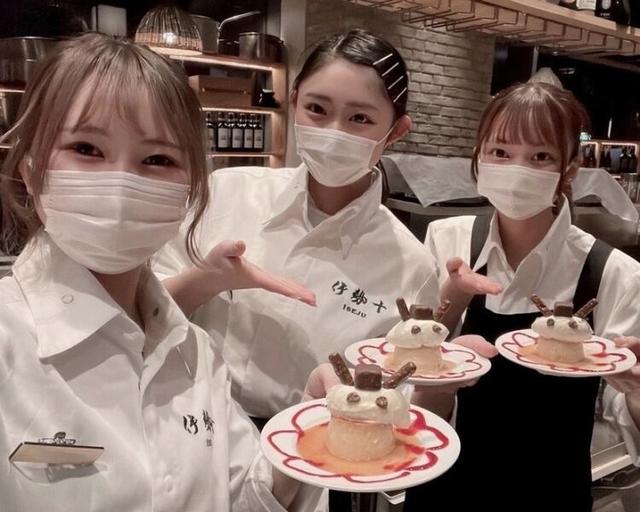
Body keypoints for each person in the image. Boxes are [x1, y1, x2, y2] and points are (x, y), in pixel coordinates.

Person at [0, 33, 319, 512]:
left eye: (157, 159)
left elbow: (242, 498)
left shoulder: (196, 353)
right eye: (86, 148)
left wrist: (308, 434)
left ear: (188, 190)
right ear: (30, 169)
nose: (121, 182)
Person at [154, 29, 457, 425]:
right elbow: (139, 315)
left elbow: (400, 399)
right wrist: (204, 281)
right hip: (190, 424)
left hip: (316, 446)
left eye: (360, 118)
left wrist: (442, 386)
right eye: (317, 109)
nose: (333, 131)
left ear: (395, 131)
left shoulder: (412, 265)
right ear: (294, 101)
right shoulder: (225, 193)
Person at [403, 82, 640, 511]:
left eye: (541, 156)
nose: (517, 169)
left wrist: (637, 393)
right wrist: (452, 301)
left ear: (570, 169)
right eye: (500, 152)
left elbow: (623, 417)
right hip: (441, 486)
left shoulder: (614, 273)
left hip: (549, 490)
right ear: (478, 158)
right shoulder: (447, 238)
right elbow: (407, 370)